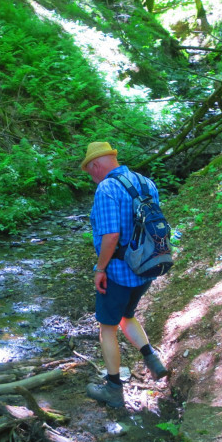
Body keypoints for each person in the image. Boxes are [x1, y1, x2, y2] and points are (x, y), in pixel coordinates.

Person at [81, 141, 168, 408]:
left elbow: (111, 236)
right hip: (146, 268)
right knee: (126, 315)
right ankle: (152, 359)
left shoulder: (107, 188)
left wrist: (100, 269)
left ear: (96, 165)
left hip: (118, 272)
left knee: (107, 328)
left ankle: (113, 388)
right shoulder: (145, 182)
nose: (91, 177)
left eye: (90, 171)